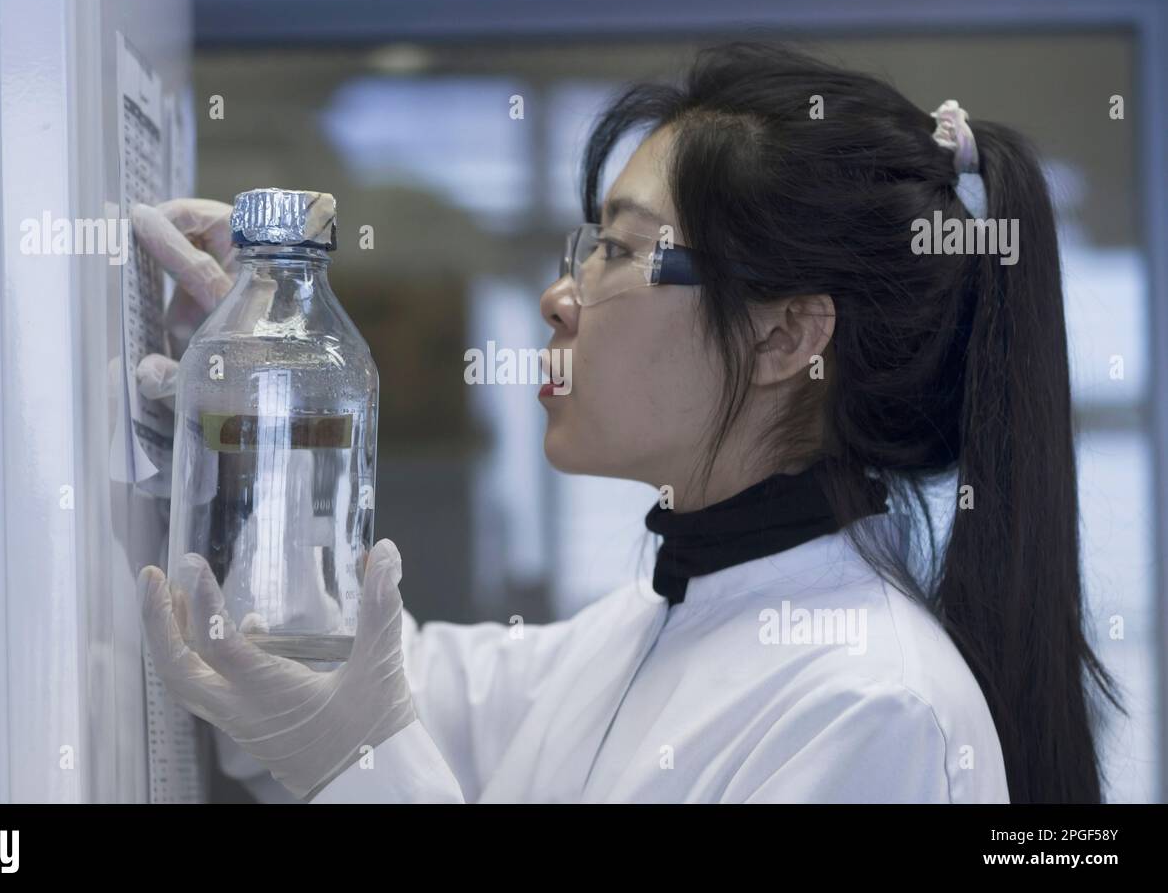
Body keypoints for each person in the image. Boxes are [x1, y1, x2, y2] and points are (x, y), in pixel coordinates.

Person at [134, 42, 1120, 804]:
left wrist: (354, 762)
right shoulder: (645, 629)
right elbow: (313, 675)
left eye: (619, 249)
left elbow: (355, 736)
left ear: (786, 337)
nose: (558, 297)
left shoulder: (870, 707)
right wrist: (256, 402)